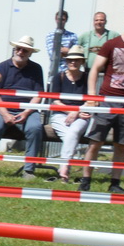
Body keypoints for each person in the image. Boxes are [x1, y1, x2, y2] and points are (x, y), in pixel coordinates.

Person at [77, 8, 124, 194]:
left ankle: (115, 182)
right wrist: (91, 96)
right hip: (107, 99)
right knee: (95, 141)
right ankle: (86, 179)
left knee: (121, 144)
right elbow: (95, 69)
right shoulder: (111, 44)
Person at [0, 35, 46, 178]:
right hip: (1, 108)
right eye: (18, 49)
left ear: (30, 53)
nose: (20, 52)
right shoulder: (2, 67)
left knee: (35, 128)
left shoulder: (36, 69)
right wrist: (5, 114)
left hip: (27, 109)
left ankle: (29, 170)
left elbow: (39, 95)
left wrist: (26, 112)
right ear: (14, 49)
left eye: (25, 50)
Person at [48, 47, 92, 178]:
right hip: (60, 115)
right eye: (70, 60)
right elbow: (54, 100)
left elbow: (92, 100)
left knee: (72, 132)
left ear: (82, 62)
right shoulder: (59, 77)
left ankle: (63, 169)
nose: (73, 62)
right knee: (70, 135)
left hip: (82, 115)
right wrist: (72, 111)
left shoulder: (87, 77)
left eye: (77, 60)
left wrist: (77, 112)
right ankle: (65, 168)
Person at [43, 10, 79, 81]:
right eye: (59, 19)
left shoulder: (73, 36)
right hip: (54, 72)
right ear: (55, 19)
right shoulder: (50, 36)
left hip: (70, 73)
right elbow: (52, 55)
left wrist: (66, 51)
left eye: (63, 19)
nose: (60, 22)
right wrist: (68, 52)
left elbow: (76, 54)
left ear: (66, 20)